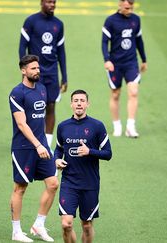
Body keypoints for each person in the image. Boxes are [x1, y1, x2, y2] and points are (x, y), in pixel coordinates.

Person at [9, 55, 59, 242]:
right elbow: (21, 124)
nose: (37, 71)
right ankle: (16, 231)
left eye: (38, 68)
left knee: (53, 183)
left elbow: (41, 118)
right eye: (33, 68)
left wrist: (43, 143)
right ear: (23, 70)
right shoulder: (17, 93)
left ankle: (39, 224)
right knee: (20, 188)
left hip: (41, 145)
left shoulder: (42, 89)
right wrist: (37, 144)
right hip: (23, 148)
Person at [54, 90, 112, 243]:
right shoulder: (63, 127)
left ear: (87, 104)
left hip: (90, 183)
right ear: (71, 104)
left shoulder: (97, 126)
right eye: (76, 100)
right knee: (66, 224)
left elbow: (108, 153)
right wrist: (57, 160)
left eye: (82, 100)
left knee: (86, 226)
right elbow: (58, 149)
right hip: (69, 183)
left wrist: (89, 151)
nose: (79, 103)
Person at [19, 0, 68, 148]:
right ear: (42, 2)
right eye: (49, 2)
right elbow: (22, 47)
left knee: (51, 106)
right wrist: (25, 70)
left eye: (54, 2)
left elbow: (61, 52)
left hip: (52, 73)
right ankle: (29, 140)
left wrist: (64, 76)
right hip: (34, 72)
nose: (52, 5)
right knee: (30, 106)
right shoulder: (31, 21)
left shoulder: (58, 24)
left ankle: (47, 144)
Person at [102, 0, 147, 138]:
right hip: (115, 64)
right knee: (115, 94)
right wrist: (107, 60)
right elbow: (104, 42)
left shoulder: (136, 20)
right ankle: (117, 125)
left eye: (131, 7)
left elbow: (139, 40)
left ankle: (130, 126)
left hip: (131, 63)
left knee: (133, 92)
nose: (130, 10)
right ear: (120, 4)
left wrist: (144, 59)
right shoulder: (110, 21)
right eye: (127, 7)